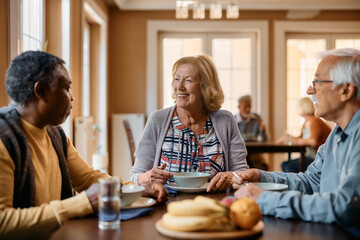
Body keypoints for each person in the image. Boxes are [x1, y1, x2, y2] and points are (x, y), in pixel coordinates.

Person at [0, 51, 168, 239]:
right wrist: (83, 202)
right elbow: (3, 222)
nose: (72, 98)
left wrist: (136, 190)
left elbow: (87, 178)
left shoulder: (54, 133)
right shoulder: (3, 139)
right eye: (66, 88)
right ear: (41, 91)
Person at [230, 48, 360, 234]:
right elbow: (310, 182)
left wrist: (264, 199)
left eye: (317, 82)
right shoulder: (336, 135)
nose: (309, 90)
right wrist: (261, 177)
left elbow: (345, 206)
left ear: (346, 90)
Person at [129, 54, 248, 192]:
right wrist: (149, 177)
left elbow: (242, 174)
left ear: (205, 86)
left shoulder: (226, 120)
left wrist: (231, 177)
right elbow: (135, 176)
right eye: (177, 79)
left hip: (214, 204)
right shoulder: (158, 120)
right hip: (167, 204)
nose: (179, 86)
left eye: (188, 80)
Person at [277, 97, 331, 172]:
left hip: (317, 157)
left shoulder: (314, 121)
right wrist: (289, 138)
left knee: (288, 166)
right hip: (309, 155)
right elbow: (301, 138)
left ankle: (296, 183)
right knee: (285, 164)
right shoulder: (306, 122)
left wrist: (289, 140)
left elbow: (312, 141)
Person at [234, 95, 268, 170]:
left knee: (262, 166)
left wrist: (263, 130)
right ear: (239, 107)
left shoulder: (256, 118)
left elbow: (265, 140)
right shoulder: (233, 120)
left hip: (254, 151)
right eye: (245, 107)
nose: (248, 109)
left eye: (249, 106)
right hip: (239, 152)